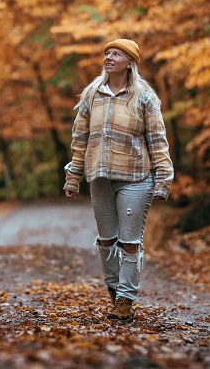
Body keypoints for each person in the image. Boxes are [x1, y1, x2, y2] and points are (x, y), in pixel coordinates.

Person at [63, 38, 174, 323]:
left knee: (129, 242)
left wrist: (163, 179)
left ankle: (125, 300)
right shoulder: (91, 94)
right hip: (99, 178)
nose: (109, 57)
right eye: (107, 53)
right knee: (106, 241)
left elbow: (158, 141)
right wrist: (73, 176)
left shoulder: (144, 97)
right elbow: (79, 140)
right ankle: (115, 292)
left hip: (136, 178)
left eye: (116, 54)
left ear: (129, 63)